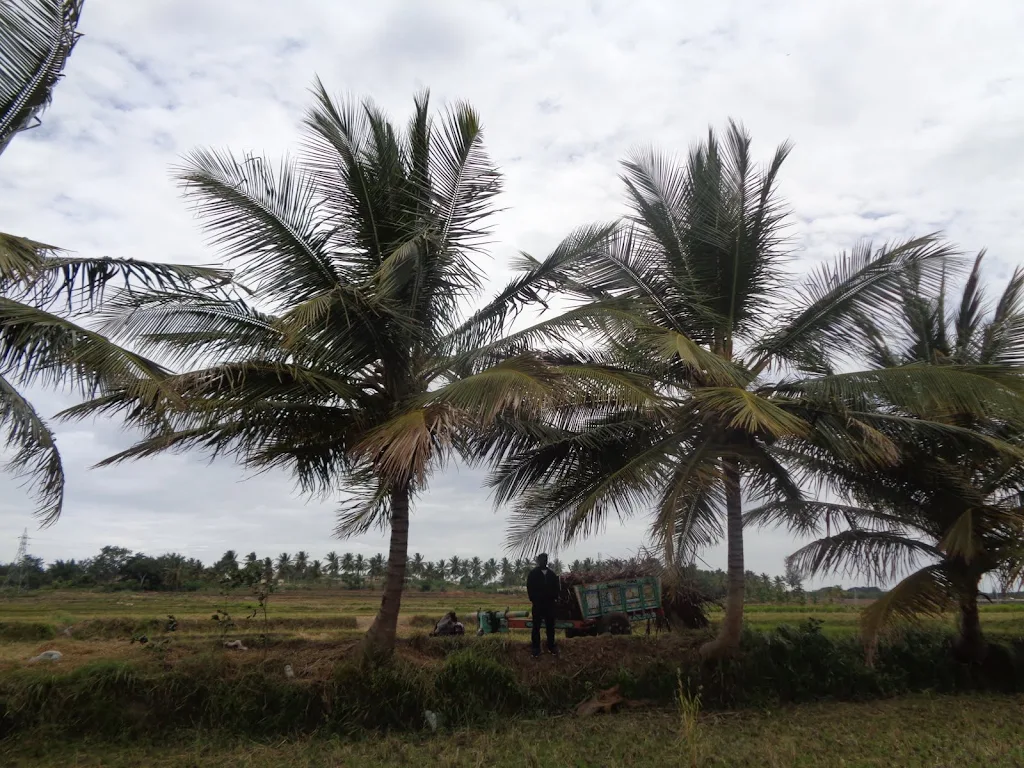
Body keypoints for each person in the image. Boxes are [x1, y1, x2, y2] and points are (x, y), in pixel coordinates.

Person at [526, 553, 560, 657]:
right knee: (536, 626)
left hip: (550, 605)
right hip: (538, 605)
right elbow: (529, 588)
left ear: (547, 561)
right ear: (538, 561)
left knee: (550, 626)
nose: (543, 561)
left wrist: (553, 598)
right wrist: (534, 599)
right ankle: (536, 648)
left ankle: (551, 646)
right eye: (541, 560)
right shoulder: (533, 574)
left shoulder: (552, 574)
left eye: (545, 560)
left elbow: (556, 588)